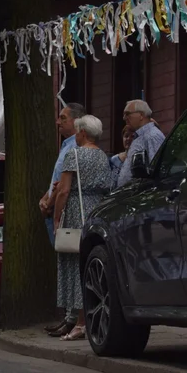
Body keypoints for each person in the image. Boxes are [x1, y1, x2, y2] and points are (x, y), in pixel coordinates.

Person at [53, 115, 113, 342]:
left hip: (77, 211)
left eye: (77, 131)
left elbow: (64, 191)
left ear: (83, 133)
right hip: (96, 210)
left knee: (75, 264)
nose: (75, 135)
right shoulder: (102, 156)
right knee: (91, 264)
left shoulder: (74, 155)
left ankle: (79, 322)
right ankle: (85, 318)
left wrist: (57, 218)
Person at [42, 102, 84, 337]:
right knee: (64, 266)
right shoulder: (66, 146)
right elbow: (56, 180)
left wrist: (51, 205)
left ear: (77, 122)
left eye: (63, 118)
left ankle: (72, 318)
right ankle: (68, 316)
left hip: (65, 214)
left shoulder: (75, 149)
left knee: (70, 265)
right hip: (53, 209)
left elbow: (65, 187)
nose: (58, 122)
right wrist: (44, 198)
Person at [116, 99, 166, 188]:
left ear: (141, 115)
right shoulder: (140, 136)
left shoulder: (152, 136)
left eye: (127, 114)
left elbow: (157, 170)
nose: (124, 118)